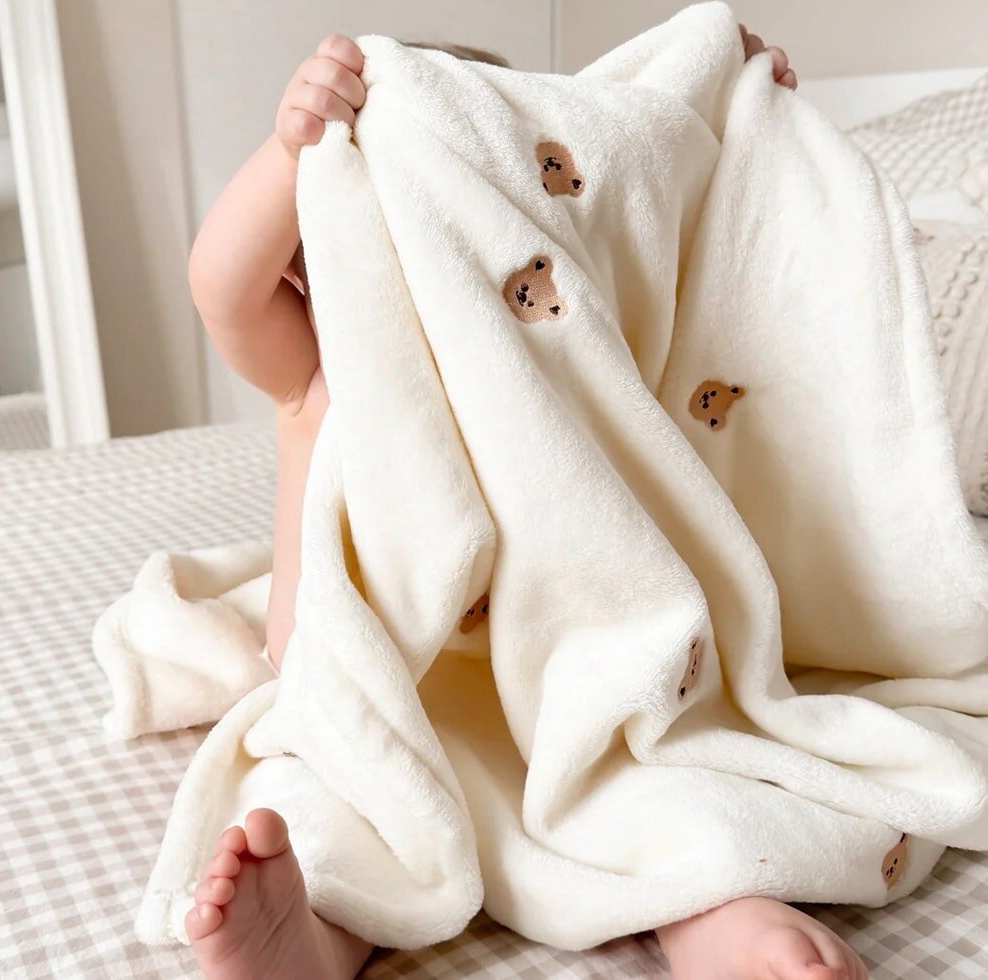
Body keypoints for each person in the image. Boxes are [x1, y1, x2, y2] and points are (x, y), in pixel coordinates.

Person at [183, 27, 867, 980]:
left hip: (551, 684)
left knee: (651, 777)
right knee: (340, 796)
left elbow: (687, 250)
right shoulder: (317, 364)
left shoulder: (562, 369)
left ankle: (723, 910)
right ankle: (316, 930)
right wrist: (292, 147)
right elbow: (222, 288)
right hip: (378, 684)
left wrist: (718, 102)